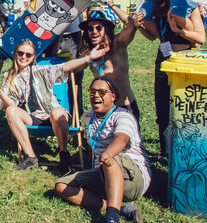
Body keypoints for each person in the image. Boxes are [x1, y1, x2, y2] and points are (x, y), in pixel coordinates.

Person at [0, 40, 108, 171]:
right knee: (11, 111)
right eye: (21, 53)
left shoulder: (40, 71)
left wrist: (88, 58)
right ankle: (30, 157)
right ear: (15, 54)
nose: (24, 57)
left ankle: (64, 154)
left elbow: (66, 67)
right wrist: (0, 92)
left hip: (55, 116)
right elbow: (12, 104)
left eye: (28, 55)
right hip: (35, 117)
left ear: (32, 58)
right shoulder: (9, 77)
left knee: (56, 112)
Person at [55, 76, 150, 223]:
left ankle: (112, 218)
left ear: (113, 97)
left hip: (133, 178)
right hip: (102, 174)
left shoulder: (123, 115)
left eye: (101, 92)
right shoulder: (89, 116)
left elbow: (122, 139)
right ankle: (122, 209)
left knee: (110, 160)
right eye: (92, 92)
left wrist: (108, 154)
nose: (96, 96)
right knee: (62, 186)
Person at [136, 0, 205, 156]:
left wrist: (179, 31)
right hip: (164, 57)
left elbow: (200, 39)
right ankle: (166, 152)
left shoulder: (188, 7)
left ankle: (187, 149)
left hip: (185, 58)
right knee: (162, 106)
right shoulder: (158, 6)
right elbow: (151, 37)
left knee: (186, 107)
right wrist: (140, 26)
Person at [73, 1, 143, 123]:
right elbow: (75, 69)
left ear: (106, 30)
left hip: (124, 108)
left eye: (99, 28)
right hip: (103, 112)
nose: (94, 31)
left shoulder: (117, 44)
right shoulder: (90, 52)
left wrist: (112, 5)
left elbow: (131, 25)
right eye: (90, 28)